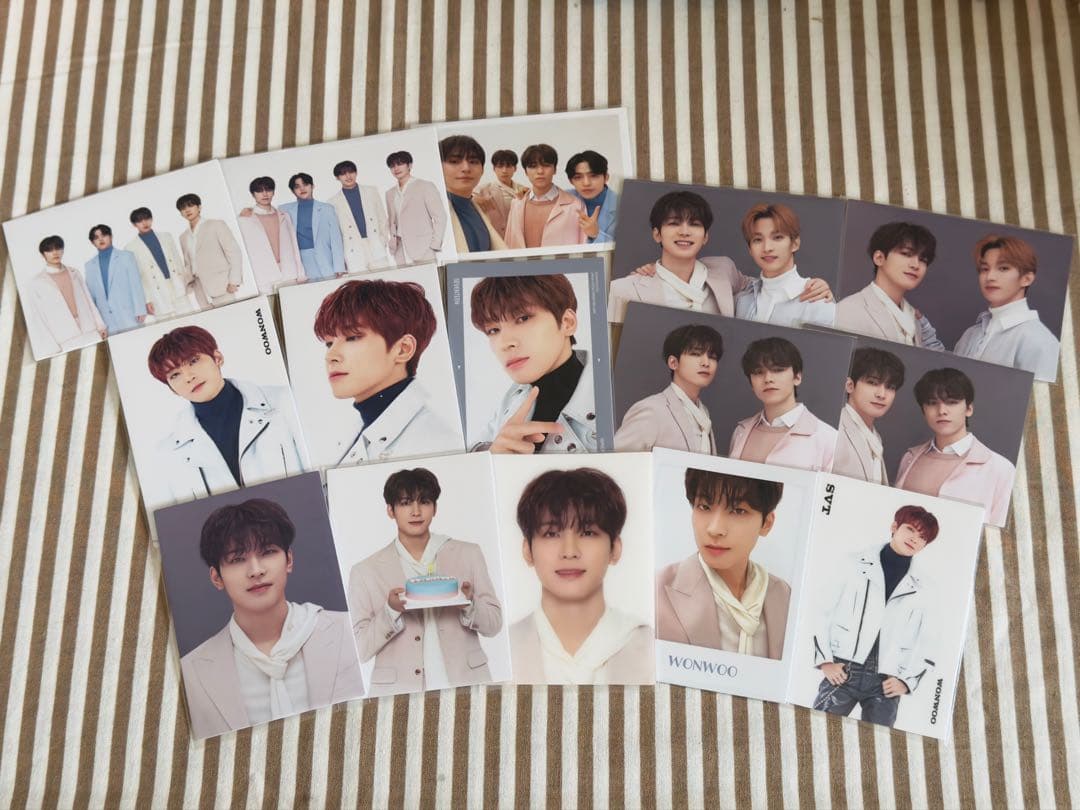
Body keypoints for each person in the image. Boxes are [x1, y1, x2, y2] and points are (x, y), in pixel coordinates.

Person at [180, 498, 364, 739]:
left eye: (267, 552)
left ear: (289, 560)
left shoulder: (349, 631)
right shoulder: (191, 673)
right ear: (216, 578)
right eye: (237, 559)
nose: (256, 570)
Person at [348, 468, 503, 696]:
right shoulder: (365, 571)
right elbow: (359, 650)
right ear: (390, 510)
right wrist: (390, 611)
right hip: (400, 693)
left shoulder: (468, 553)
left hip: (466, 684)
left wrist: (469, 604)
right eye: (405, 503)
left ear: (435, 508)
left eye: (424, 501)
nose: (416, 511)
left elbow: (495, 624)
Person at [510, 468, 653, 685]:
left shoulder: (650, 647)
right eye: (551, 533)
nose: (569, 552)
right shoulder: (503, 651)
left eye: (587, 532)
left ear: (615, 549)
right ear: (527, 551)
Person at [608, 191, 832, 323]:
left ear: (705, 236)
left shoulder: (723, 270)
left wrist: (815, 286)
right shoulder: (624, 289)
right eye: (674, 223)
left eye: (694, 224)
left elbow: (768, 285)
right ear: (657, 234)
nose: (685, 232)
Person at [811, 505, 938, 728]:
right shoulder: (852, 564)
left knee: (879, 744)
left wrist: (907, 682)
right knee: (817, 730)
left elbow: (930, 641)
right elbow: (820, 611)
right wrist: (825, 661)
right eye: (910, 529)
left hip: (887, 681)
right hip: (843, 670)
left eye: (922, 537)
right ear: (894, 527)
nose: (914, 539)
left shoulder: (925, 588)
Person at [148, 325, 308, 503]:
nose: (188, 377)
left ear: (217, 358)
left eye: (193, 361)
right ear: (172, 388)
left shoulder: (285, 402)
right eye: (175, 374)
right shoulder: (168, 453)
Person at [313, 278, 462, 465]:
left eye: (352, 337)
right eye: (329, 343)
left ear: (403, 349)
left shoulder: (438, 445)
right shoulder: (353, 432)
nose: (331, 356)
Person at [656, 469, 789, 660]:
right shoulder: (655, 593)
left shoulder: (785, 597)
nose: (715, 529)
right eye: (704, 507)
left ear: (766, 524)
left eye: (738, 510)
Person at [469, 273, 596, 453]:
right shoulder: (513, 397)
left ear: (567, 322)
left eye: (522, 318)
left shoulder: (610, 396)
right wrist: (492, 456)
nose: (505, 343)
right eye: (493, 330)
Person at [894, 367, 1015, 527]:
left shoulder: (1001, 469)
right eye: (932, 403)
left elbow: (997, 534)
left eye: (951, 402)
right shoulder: (909, 458)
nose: (942, 411)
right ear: (923, 410)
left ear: (969, 409)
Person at [953, 233, 1060, 382]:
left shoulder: (1040, 341)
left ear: (1026, 278)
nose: (990, 277)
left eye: (1003, 268)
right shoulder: (971, 334)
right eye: (984, 269)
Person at [728, 337, 837, 472]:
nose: (768, 379)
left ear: (797, 377)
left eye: (778, 370)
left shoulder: (828, 438)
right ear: (751, 382)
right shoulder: (740, 432)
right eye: (758, 372)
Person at [615, 323, 723, 453]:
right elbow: (615, 460)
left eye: (712, 357)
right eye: (695, 354)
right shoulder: (652, 410)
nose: (706, 363)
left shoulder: (703, 414)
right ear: (673, 362)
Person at [835, 221, 944, 349]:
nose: (915, 265)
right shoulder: (848, 311)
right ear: (879, 258)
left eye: (923, 259)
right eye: (906, 254)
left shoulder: (916, 320)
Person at [734, 202, 835, 328]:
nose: (767, 248)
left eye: (777, 237)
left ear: (795, 244)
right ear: (750, 249)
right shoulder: (742, 299)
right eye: (758, 240)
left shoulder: (817, 302)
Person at [833, 347, 905, 485]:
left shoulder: (875, 437)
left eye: (890, 387)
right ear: (850, 385)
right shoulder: (834, 430)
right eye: (872, 383)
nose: (881, 394)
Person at [26, 234, 107, 355]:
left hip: (89, 330)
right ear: (43, 254)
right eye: (49, 250)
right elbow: (38, 317)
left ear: (63, 250)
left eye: (58, 248)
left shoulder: (74, 272)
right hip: (64, 338)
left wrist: (100, 326)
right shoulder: (37, 283)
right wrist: (51, 347)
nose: (55, 253)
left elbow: (88, 300)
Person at [503, 144, 588, 249]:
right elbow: (508, 244)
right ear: (525, 172)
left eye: (546, 165)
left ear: (555, 169)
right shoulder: (516, 204)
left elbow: (584, 247)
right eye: (533, 166)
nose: (540, 171)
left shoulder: (575, 206)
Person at [235, 177, 306, 292]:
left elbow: (294, 245)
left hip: (289, 273)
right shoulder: (245, 220)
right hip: (263, 276)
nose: (265, 194)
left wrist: (300, 273)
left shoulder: (284, 216)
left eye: (268, 190)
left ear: (273, 192)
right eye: (259, 191)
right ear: (253, 194)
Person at [439, 134, 507, 253]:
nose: (466, 168)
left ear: (482, 170)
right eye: (454, 161)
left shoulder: (478, 210)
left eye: (473, 161)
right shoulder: (428, 211)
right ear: (438, 167)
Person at [176, 193, 245, 306]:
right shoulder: (183, 237)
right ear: (181, 213)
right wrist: (188, 283)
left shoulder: (216, 225)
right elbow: (188, 263)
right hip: (199, 289)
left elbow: (234, 253)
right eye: (183, 208)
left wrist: (234, 281)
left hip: (222, 285)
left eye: (190, 205)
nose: (187, 210)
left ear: (199, 207)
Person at [126, 207, 194, 318]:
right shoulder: (131, 247)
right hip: (155, 291)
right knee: (167, 323)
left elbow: (177, 260)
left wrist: (185, 282)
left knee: (188, 318)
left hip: (176, 284)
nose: (144, 223)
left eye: (147, 219)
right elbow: (137, 277)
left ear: (151, 219)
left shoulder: (166, 237)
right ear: (134, 224)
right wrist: (146, 300)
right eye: (139, 221)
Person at [384, 151, 447, 265]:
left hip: (423, 248)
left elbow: (440, 217)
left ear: (410, 165)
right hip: (400, 250)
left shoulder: (425, 186)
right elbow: (392, 221)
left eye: (400, 164)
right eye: (392, 166)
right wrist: (392, 241)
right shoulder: (390, 193)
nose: (396, 168)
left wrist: (435, 245)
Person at [278, 173, 345, 280]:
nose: (302, 189)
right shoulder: (284, 210)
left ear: (312, 186)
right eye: (297, 186)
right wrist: (250, 210)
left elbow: (336, 239)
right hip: (300, 263)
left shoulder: (326, 209)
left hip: (325, 259)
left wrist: (339, 267)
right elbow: (266, 213)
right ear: (292, 191)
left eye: (305, 184)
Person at [84, 223, 149, 334]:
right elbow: (92, 296)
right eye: (96, 238)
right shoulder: (89, 266)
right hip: (106, 318)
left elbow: (135, 284)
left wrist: (140, 309)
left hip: (128, 312)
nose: (100, 239)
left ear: (111, 236)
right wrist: (97, 322)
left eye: (104, 235)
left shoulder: (126, 256)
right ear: (92, 242)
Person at [328, 159, 391, 273]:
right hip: (353, 248)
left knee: (383, 279)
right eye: (343, 174)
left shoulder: (371, 191)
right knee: (360, 281)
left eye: (351, 172)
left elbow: (382, 217)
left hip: (375, 243)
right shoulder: (333, 202)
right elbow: (336, 232)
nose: (348, 176)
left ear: (356, 173)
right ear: (337, 178)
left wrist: (382, 240)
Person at [565, 150, 618, 244]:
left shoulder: (625, 205)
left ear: (606, 177)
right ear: (571, 181)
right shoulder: (563, 199)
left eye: (593, 176)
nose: (586, 183)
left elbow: (631, 247)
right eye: (578, 177)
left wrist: (596, 234)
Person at [474, 148, 528, 238]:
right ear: (494, 169)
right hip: (495, 236)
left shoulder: (524, 190)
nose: (504, 170)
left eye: (508, 166)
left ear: (515, 168)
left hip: (519, 235)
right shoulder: (485, 189)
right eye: (500, 166)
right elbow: (466, 199)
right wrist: (474, 199)